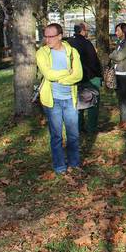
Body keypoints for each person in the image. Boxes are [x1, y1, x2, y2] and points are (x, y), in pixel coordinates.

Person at [36, 23, 83, 174]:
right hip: (52, 101)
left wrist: (63, 80)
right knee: (56, 136)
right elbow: (48, 75)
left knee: (73, 134)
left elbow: (78, 75)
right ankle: (60, 166)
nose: (47, 40)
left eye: (51, 36)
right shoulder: (42, 53)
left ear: (60, 36)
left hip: (70, 98)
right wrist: (66, 72)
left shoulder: (72, 52)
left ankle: (74, 163)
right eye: (46, 36)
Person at [69, 23, 102, 133]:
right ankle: (91, 128)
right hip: (88, 76)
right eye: (87, 29)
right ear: (82, 30)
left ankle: (78, 127)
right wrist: (98, 75)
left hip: (73, 78)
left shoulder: (68, 43)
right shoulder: (86, 43)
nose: (88, 31)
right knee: (93, 102)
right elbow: (93, 60)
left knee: (77, 103)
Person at [109, 23, 126, 129]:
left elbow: (118, 56)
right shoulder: (119, 43)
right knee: (120, 98)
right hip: (118, 73)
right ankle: (123, 120)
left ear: (124, 32)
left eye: (118, 30)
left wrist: (111, 55)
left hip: (125, 74)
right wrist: (114, 54)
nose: (116, 32)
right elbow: (117, 55)